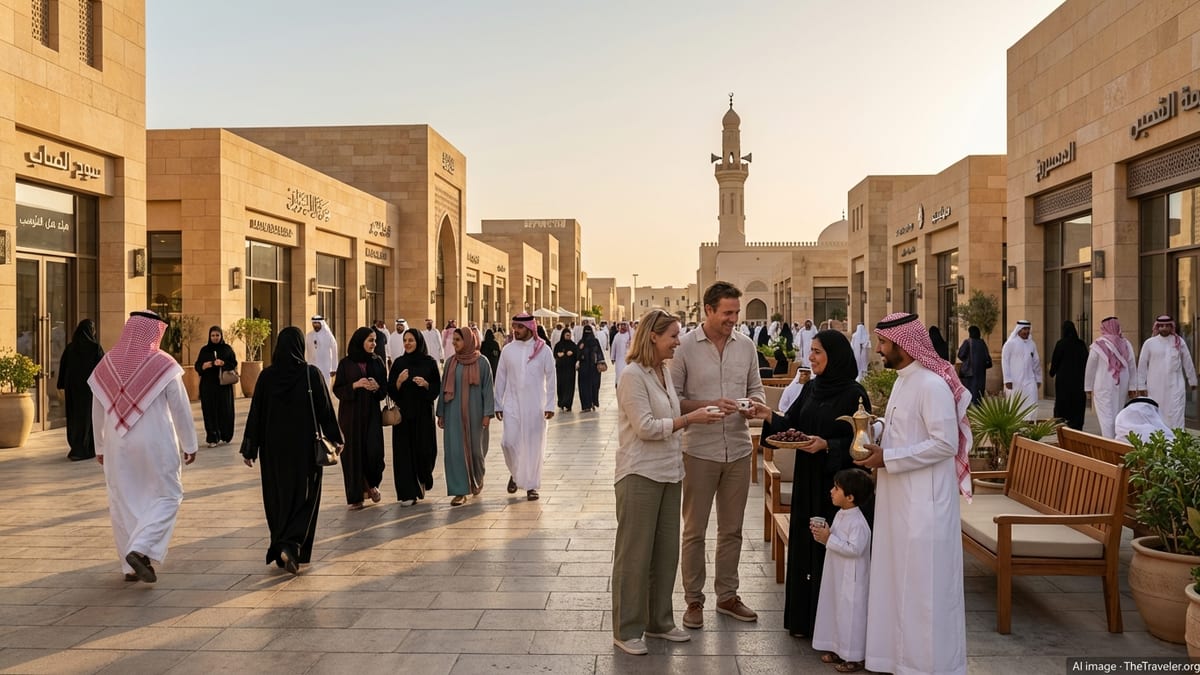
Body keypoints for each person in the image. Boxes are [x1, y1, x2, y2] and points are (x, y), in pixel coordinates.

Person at [855, 312, 970, 675]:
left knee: (924, 589)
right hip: (899, 502)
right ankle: (897, 659)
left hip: (925, 505)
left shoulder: (931, 386)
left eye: (883, 344)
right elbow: (907, 431)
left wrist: (888, 457)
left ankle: (928, 665)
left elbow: (945, 443)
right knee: (897, 582)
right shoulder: (905, 381)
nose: (878, 350)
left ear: (903, 345)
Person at [611, 309, 724, 655]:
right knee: (635, 555)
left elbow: (669, 417)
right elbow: (645, 427)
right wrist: (690, 419)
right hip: (639, 474)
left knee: (664, 553)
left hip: (669, 472)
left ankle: (659, 621)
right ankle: (627, 628)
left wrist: (689, 418)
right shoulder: (632, 376)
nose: (678, 342)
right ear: (653, 337)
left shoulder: (662, 372)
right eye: (673, 336)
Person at [754, 329, 869, 638]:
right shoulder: (811, 388)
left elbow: (861, 444)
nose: (811, 357)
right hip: (808, 481)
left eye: (818, 351)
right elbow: (792, 425)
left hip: (838, 488)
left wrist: (828, 445)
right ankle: (805, 622)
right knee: (807, 546)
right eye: (812, 351)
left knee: (831, 552)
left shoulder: (854, 394)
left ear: (836, 355)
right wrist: (767, 415)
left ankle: (833, 629)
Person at [669, 281, 765, 629]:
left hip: (739, 449)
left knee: (733, 529)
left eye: (736, 313)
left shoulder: (747, 347)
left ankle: (727, 596)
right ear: (708, 310)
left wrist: (754, 407)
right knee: (694, 530)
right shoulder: (684, 349)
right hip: (698, 451)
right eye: (727, 313)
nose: (734, 319)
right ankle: (693, 600)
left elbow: (756, 389)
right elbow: (672, 399)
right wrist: (707, 406)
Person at [89, 310, 198, 583]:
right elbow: (181, 408)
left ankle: (129, 567)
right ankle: (139, 549)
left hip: (116, 445)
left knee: (123, 500)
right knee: (168, 495)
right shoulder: (164, 364)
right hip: (156, 443)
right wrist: (190, 443)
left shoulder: (107, 363)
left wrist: (100, 447)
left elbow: (97, 409)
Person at [240, 327, 343, 574]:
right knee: (306, 496)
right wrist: (336, 438)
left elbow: (256, 414)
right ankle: (293, 544)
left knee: (277, 497)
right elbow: (325, 410)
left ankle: (281, 545)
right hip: (304, 449)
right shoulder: (310, 374)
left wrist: (250, 447)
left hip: (273, 451)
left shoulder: (266, 377)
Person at [810, 468, 874, 673]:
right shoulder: (841, 514)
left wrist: (829, 539)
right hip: (837, 573)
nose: (831, 491)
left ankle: (854, 656)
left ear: (850, 496)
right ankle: (838, 648)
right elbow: (835, 539)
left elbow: (854, 549)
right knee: (837, 610)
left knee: (851, 615)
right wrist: (823, 535)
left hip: (852, 579)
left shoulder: (859, 524)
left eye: (836, 488)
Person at [495, 314, 557, 501]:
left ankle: (531, 486)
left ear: (530, 328)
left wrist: (550, 404)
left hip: (535, 404)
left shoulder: (544, 350)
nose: (515, 330)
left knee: (533, 447)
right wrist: (498, 403)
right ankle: (516, 474)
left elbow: (552, 378)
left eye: (519, 327)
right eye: (514, 327)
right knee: (508, 442)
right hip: (512, 404)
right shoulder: (507, 350)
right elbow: (501, 378)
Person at [332, 327, 388, 511]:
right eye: (370, 340)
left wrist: (376, 387)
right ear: (360, 341)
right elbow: (337, 389)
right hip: (351, 416)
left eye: (375, 341)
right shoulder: (346, 363)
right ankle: (357, 495)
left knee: (374, 452)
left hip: (371, 414)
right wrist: (355, 385)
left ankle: (372, 483)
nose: (374, 344)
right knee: (353, 455)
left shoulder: (377, 361)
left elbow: (383, 391)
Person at [437, 327, 495, 505]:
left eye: (458, 340)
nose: (454, 343)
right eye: (453, 340)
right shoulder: (450, 363)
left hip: (475, 414)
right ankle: (460, 491)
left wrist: (487, 414)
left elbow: (488, 390)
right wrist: (441, 413)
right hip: (453, 414)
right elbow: (443, 389)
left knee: (476, 451)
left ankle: (477, 479)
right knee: (455, 452)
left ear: (469, 341)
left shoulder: (482, 362)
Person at [388, 328, 441, 506]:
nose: (408, 343)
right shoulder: (398, 363)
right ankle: (407, 493)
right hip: (404, 417)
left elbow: (436, 388)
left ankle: (423, 479)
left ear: (418, 341)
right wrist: (399, 382)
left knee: (425, 452)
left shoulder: (429, 362)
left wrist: (426, 385)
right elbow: (391, 391)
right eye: (405, 340)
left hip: (423, 416)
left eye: (411, 340)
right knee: (404, 454)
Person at [1136, 315, 1198, 429]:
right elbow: (1142, 366)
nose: (1164, 328)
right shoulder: (1149, 343)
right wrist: (1141, 385)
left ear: (1171, 327)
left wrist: (1192, 380)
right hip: (1155, 386)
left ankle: (1177, 442)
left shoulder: (1179, 342)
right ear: (1157, 327)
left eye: (1167, 326)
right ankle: (1160, 441)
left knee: (1177, 413)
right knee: (1157, 413)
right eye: (1161, 326)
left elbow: (1187, 361)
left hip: (1176, 385)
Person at [57, 319, 104, 461]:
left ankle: (76, 447)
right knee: (88, 417)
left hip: (73, 390)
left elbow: (63, 367)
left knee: (74, 417)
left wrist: (61, 385)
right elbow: (103, 368)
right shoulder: (95, 348)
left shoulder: (70, 348)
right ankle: (87, 448)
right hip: (89, 390)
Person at [1085, 316, 1136, 438]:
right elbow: (1132, 366)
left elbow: (1090, 368)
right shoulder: (1126, 344)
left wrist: (1088, 387)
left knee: (1106, 415)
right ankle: (1115, 440)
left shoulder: (1098, 344)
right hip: (1122, 384)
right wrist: (1132, 386)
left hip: (1102, 385)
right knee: (1117, 412)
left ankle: (1109, 441)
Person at [194, 325, 238, 448]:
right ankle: (212, 437)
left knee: (225, 410)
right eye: (212, 335)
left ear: (221, 336)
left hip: (223, 387)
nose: (215, 338)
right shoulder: (205, 350)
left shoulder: (227, 349)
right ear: (209, 336)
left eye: (217, 335)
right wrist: (204, 366)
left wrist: (223, 363)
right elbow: (197, 365)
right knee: (209, 411)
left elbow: (233, 363)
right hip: (208, 386)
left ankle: (225, 435)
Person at [1049, 320, 1088, 430]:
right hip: (1078, 380)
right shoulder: (1081, 344)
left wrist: (1052, 372)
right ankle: (1077, 426)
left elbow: (1055, 361)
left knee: (1063, 402)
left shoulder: (1061, 344)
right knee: (1077, 403)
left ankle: (1062, 425)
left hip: (1063, 381)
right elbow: (1086, 360)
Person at [1001, 319, 1041, 420]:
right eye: (1024, 329)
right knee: (1016, 405)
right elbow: (1005, 362)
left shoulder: (1032, 344)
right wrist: (1007, 379)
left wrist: (1038, 378)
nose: (1026, 331)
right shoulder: (1010, 344)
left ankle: (1031, 424)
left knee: (1032, 402)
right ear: (1018, 330)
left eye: (1028, 329)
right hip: (1015, 381)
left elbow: (1036, 362)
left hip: (1030, 380)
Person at [956, 325, 992, 406]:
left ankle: (970, 406)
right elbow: (987, 357)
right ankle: (978, 406)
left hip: (969, 372)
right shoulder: (982, 343)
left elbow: (961, 354)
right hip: (981, 372)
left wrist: (967, 360)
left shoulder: (968, 342)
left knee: (970, 390)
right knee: (979, 391)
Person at [305, 315, 338, 387]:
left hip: (325, 366)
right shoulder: (309, 336)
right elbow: (305, 351)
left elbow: (334, 351)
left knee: (325, 384)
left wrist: (334, 368)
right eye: (314, 323)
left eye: (317, 323)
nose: (315, 325)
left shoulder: (328, 335)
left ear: (321, 323)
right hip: (312, 365)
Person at [577, 325, 604, 412]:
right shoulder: (581, 342)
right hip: (584, 369)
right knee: (584, 387)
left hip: (593, 368)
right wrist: (580, 350)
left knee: (594, 386)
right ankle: (586, 406)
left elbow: (599, 353)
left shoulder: (595, 342)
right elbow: (577, 355)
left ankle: (592, 402)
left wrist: (600, 362)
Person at [553, 331, 578, 411]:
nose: (568, 336)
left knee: (569, 386)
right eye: (567, 335)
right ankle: (561, 402)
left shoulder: (573, 345)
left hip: (570, 369)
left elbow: (577, 354)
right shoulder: (558, 345)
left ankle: (568, 404)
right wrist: (558, 354)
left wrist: (573, 353)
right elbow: (554, 353)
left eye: (569, 335)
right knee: (561, 385)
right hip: (561, 369)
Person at [610, 321, 631, 387]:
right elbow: (613, 347)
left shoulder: (630, 335)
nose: (623, 327)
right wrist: (612, 358)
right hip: (619, 359)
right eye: (622, 325)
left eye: (624, 325)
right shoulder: (617, 336)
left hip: (628, 360)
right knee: (619, 373)